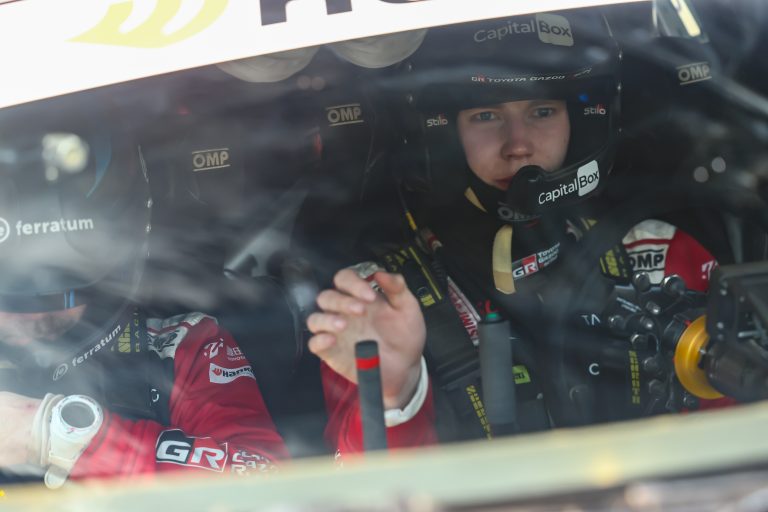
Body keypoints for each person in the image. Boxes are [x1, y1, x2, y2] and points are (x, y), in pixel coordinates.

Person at [308, 8, 724, 448]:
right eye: (485, 116)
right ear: (443, 134)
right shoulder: (381, 299)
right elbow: (360, 479)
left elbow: (739, 429)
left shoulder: (659, 254)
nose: (518, 145)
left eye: (542, 111)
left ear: (578, 122)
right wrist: (395, 396)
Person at [0, 94, 289, 487]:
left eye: (57, 295)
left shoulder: (181, 345)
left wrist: (62, 437)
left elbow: (263, 480)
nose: (27, 318)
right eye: (7, 298)